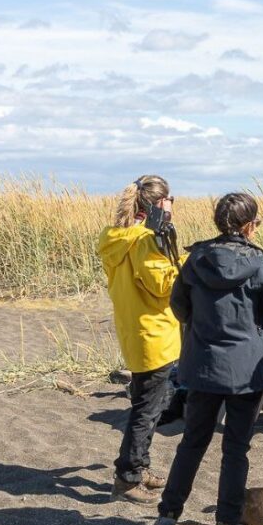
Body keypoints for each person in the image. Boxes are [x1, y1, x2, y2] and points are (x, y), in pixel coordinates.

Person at [153, 193, 263, 525]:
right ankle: (226, 524)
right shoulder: (260, 264)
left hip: (204, 364)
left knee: (192, 442)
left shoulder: (196, 258)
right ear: (249, 226)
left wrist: (204, 329)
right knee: (235, 447)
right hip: (247, 369)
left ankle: (168, 515)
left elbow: (179, 306)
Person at [97, 175, 181, 504]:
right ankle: (127, 476)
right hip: (154, 332)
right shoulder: (144, 240)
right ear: (158, 204)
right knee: (147, 409)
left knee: (148, 403)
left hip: (136, 328)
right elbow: (162, 285)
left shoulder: (119, 237)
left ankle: (139, 466)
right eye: (170, 200)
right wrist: (185, 264)